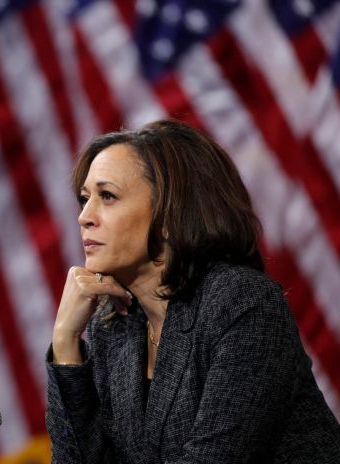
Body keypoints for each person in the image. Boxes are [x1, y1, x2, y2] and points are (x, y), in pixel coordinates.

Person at [46, 119, 340, 463]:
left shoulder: (241, 305)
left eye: (107, 196)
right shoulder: (114, 328)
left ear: (171, 213)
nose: (84, 216)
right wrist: (66, 341)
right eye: (84, 199)